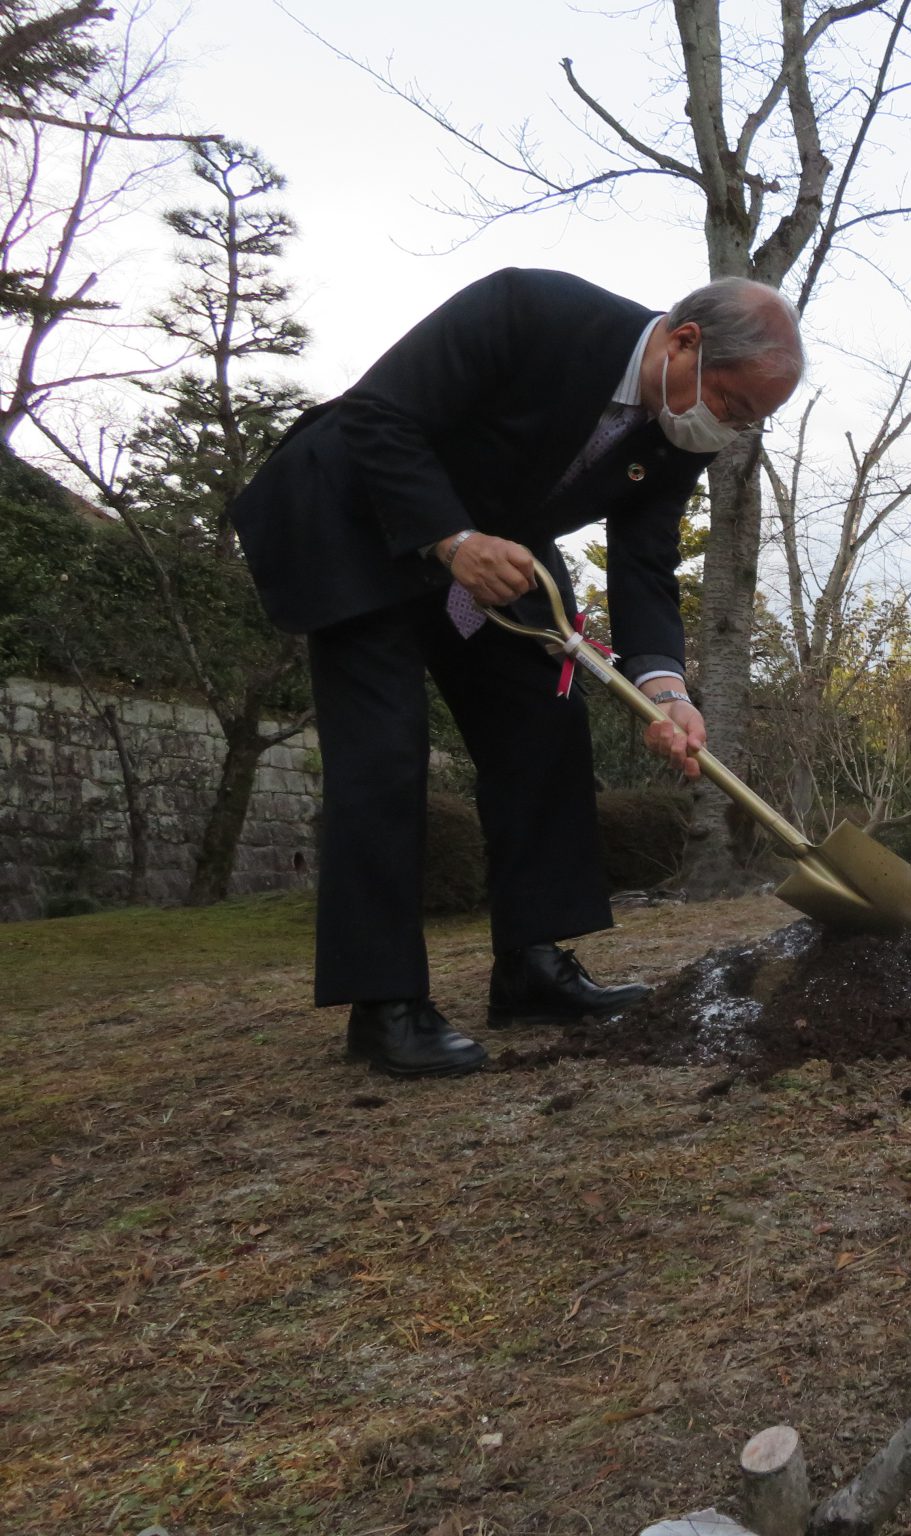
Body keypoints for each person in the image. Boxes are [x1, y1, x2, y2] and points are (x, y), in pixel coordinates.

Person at [234, 268, 803, 1074]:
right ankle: (385, 1003)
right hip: (364, 520)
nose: (729, 430)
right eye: (732, 407)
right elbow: (378, 415)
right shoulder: (529, 311)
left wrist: (664, 692)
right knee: (383, 753)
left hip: (496, 553)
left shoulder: (675, 432)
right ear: (685, 343)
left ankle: (532, 966)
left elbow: (645, 564)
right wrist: (451, 542)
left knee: (544, 715)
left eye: (748, 423)